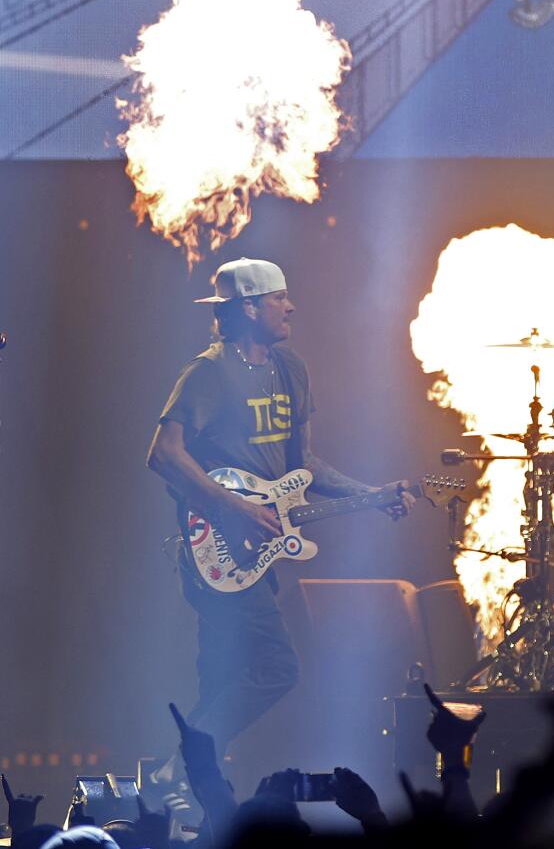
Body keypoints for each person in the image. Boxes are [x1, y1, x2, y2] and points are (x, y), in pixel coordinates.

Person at [146, 258, 413, 769]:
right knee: (276, 667)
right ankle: (177, 768)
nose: (290, 306)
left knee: (224, 679)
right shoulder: (207, 373)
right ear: (248, 307)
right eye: (278, 298)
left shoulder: (291, 368)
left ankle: (184, 789)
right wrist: (235, 506)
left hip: (256, 554)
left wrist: (374, 493)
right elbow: (163, 453)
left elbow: (304, 466)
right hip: (215, 549)